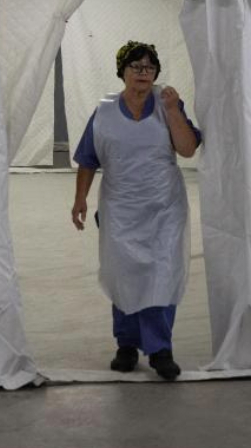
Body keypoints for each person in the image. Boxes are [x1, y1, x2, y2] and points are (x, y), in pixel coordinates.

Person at [71, 40, 201, 380]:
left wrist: (173, 112)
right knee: (124, 274)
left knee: (161, 275)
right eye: (135, 66)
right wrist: (80, 199)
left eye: (149, 67)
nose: (143, 73)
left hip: (164, 207)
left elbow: (187, 149)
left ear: (156, 72)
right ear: (122, 72)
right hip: (120, 207)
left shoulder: (168, 103)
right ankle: (127, 345)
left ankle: (160, 349)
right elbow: (87, 158)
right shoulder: (105, 110)